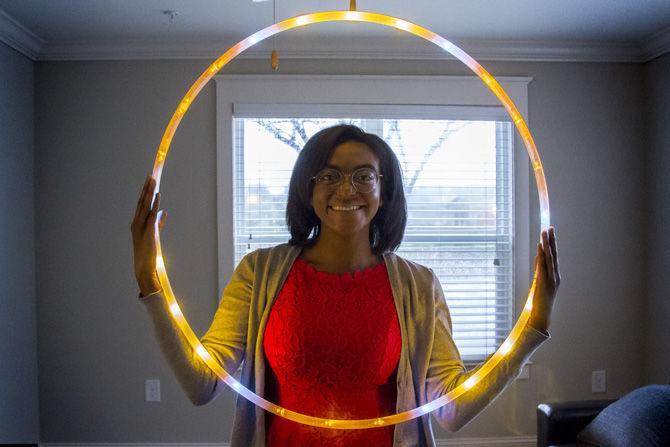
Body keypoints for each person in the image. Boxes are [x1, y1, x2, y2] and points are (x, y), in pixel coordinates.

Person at [131, 124, 560, 447]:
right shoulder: (258, 273)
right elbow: (201, 385)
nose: (346, 189)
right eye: (329, 175)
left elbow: (450, 409)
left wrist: (531, 329)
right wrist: (151, 281)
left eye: (363, 176)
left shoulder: (417, 285)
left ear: (384, 190)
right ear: (309, 188)